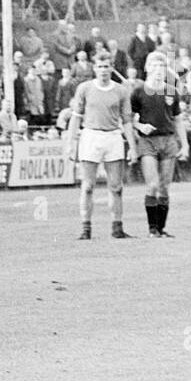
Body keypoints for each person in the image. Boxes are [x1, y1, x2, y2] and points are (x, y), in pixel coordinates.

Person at [64, 48, 138, 240]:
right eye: (100, 66)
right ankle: (86, 228)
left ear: (112, 68)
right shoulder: (85, 89)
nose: (103, 70)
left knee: (116, 186)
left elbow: (127, 121)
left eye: (106, 66)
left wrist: (133, 147)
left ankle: (117, 228)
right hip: (91, 137)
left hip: (113, 136)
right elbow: (75, 118)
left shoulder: (121, 90)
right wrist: (71, 143)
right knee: (87, 186)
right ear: (94, 69)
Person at [129, 51, 190, 236]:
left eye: (162, 67)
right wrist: (140, 125)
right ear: (147, 68)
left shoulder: (171, 91)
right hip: (148, 142)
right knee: (153, 184)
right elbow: (130, 119)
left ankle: (161, 229)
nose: (158, 70)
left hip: (169, 140)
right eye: (155, 66)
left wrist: (184, 144)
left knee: (164, 186)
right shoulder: (138, 92)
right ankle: (152, 229)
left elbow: (178, 120)